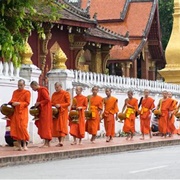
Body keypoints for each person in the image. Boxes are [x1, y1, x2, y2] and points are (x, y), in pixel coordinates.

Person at [9, 79, 31, 151]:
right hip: (16, 112)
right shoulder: (15, 92)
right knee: (16, 128)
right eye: (18, 85)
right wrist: (12, 103)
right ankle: (19, 146)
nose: (19, 87)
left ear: (24, 85)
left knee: (22, 127)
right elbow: (12, 100)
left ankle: (24, 145)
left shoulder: (27, 92)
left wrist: (19, 103)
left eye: (21, 85)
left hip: (23, 112)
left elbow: (27, 103)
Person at [30, 81, 52, 147]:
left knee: (45, 126)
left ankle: (47, 143)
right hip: (43, 110)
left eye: (32, 87)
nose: (32, 89)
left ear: (35, 85)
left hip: (46, 111)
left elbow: (48, 99)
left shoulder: (42, 90)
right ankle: (46, 143)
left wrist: (39, 103)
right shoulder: (39, 91)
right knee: (43, 126)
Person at [51, 82, 70, 147]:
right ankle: (59, 141)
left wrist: (60, 105)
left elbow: (68, 103)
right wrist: (53, 105)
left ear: (61, 86)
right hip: (56, 112)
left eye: (57, 87)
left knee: (62, 126)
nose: (56, 89)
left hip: (63, 112)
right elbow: (52, 102)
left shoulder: (65, 93)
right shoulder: (54, 94)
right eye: (55, 87)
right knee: (57, 127)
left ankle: (62, 141)